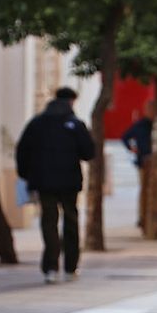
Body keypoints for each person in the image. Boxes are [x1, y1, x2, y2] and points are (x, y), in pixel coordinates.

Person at [16, 87, 94, 284]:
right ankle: (70, 266)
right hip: (69, 182)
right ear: (72, 102)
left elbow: (22, 150)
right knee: (71, 221)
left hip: (44, 181)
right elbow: (88, 152)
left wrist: (26, 174)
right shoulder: (75, 124)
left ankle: (51, 267)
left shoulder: (37, 123)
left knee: (49, 222)